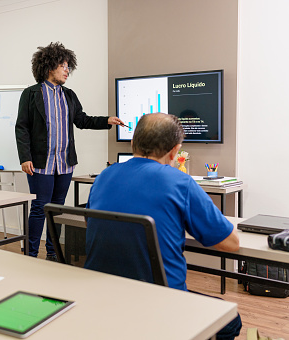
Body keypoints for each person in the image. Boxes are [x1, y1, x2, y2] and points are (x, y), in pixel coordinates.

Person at [84, 113, 241, 339]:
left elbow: (92, 222)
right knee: (230, 320)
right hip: (162, 300)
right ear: (175, 151)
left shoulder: (104, 176)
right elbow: (230, 244)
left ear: (132, 143)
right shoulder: (180, 182)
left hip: (104, 293)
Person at [15, 41, 124, 259]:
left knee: (57, 209)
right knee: (39, 208)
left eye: (68, 66)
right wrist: (25, 157)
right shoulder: (31, 94)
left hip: (65, 163)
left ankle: (53, 253)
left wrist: (107, 120)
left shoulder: (69, 95)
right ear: (48, 66)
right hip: (40, 163)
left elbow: (82, 120)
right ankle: (31, 254)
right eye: (63, 66)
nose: (67, 70)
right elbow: (22, 127)